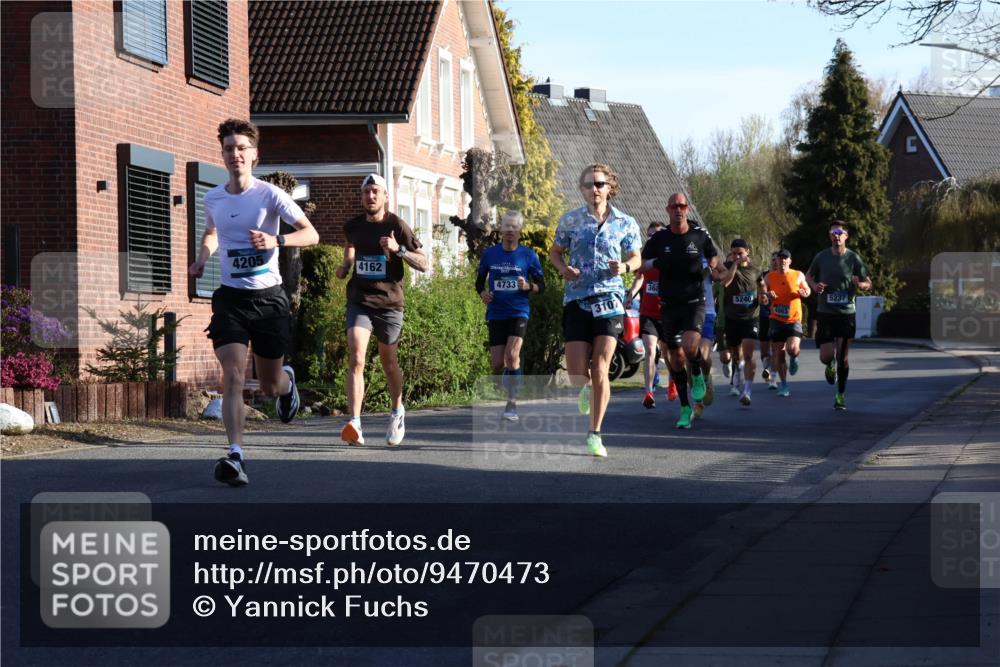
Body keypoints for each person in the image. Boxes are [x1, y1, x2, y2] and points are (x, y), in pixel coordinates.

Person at [189, 118, 319, 487]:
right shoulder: (213, 197)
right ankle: (235, 455)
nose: (235, 155)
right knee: (232, 375)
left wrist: (276, 241)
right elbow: (213, 232)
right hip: (231, 298)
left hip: (268, 300)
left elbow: (311, 234)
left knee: (267, 386)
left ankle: (285, 383)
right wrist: (202, 258)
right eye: (229, 149)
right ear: (223, 155)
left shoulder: (271, 196)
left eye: (242, 148)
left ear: (254, 155)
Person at [549, 163, 642, 457]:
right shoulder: (571, 220)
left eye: (600, 184)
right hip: (577, 298)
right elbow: (554, 252)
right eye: (589, 185)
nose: (594, 190)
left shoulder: (625, 223)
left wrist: (625, 266)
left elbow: (637, 258)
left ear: (609, 187)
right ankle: (586, 389)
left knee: (600, 366)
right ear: (582, 189)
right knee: (578, 372)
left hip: (609, 300)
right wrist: (563, 269)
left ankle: (595, 433)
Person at [334, 174, 428, 446]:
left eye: (376, 192)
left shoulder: (396, 225)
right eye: (366, 192)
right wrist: (347, 264)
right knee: (356, 356)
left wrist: (399, 250)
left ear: (386, 196)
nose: (370, 197)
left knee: (389, 363)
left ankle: (397, 411)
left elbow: (423, 263)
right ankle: (354, 422)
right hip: (360, 300)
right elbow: (351, 244)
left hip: (389, 304)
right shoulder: (353, 226)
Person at [639, 192, 721, 429]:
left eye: (682, 206)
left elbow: (713, 256)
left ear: (687, 209)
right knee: (674, 359)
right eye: (674, 206)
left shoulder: (698, 234)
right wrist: (656, 263)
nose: (678, 209)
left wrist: (709, 270)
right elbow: (641, 264)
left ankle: (695, 371)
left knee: (691, 346)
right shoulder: (660, 239)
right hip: (669, 304)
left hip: (695, 301)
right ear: (668, 209)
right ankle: (685, 407)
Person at [476, 211, 545, 421]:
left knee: (512, 355)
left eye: (514, 227)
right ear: (500, 229)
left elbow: (542, 286)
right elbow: (479, 282)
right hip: (496, 312)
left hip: (518, 311)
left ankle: (511, 404)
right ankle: (511, 374)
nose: (509, 231)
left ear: (520, 231)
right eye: (506, 227)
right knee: (497, 363)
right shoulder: (490, 254)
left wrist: (529, 286)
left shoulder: (528, 256)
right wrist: (483, 294)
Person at [806, 221, 872, 410]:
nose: (836, 236)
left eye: (840, 233)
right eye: (833, 232)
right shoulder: (822, 257)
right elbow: (808, 275)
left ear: (846, 236)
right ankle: (829, 364)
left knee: (843, 356)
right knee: (826, 356)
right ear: (830, 236)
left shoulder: (853, 258)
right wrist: (814, 286)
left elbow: (869, 282)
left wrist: (860, 285)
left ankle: (840, 395)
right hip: (826, 312)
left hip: (846, 314)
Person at [627, 221, 669, 409]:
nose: (653, 236)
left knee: (669, 354)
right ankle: (648, 392)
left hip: (668, 313)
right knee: (650, 350)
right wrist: (631, 295)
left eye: (657, 233)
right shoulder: (645, 258)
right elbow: (639, 278)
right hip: (648, 312)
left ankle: (674, 383)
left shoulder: (670, 256)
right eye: (650, 234)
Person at [719, 239, 765, 407]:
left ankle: (747, 390)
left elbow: (761, 285)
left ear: (748, 252)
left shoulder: (756, 269)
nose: (736, 256)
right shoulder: (726, 266)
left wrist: (764, 295)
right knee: (736, 355)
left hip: (750, 317)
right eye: (734, 253)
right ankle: (737, 371)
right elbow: (726, 282)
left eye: (740, 253)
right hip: (732, 318)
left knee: (748, 353)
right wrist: (734, 265)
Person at [762, 248, 810, 397]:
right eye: (779, 258)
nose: (782, 261)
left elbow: (807, 290)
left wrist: (805, 293)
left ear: (789, 261)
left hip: (794, 319)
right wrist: (767, 294)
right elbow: (762, 298)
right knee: (779, 353)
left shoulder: (798, 275)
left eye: (785, 258)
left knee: (792, 348)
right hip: (776, 319)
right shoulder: (769, 277)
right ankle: (784, 385)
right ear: (775, 261)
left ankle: (794, 358)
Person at [691, 257, 719, 419]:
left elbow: (723, 273)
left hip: (707, 311)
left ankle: (707, 377)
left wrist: (715, 274)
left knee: (702, 354)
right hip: (686, 311)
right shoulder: (677, 250)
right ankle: (697, 401)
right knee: (690, 358)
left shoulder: (708, 255)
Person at [760, 252, 779, 390]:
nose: (774, 262)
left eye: (776, 260)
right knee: (765, 349)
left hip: (778, 316)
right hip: (764, 315)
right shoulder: (763, 276)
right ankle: (766, 366)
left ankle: (773, 377)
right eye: (772, 260)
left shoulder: (784, 276)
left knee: (775, 347)